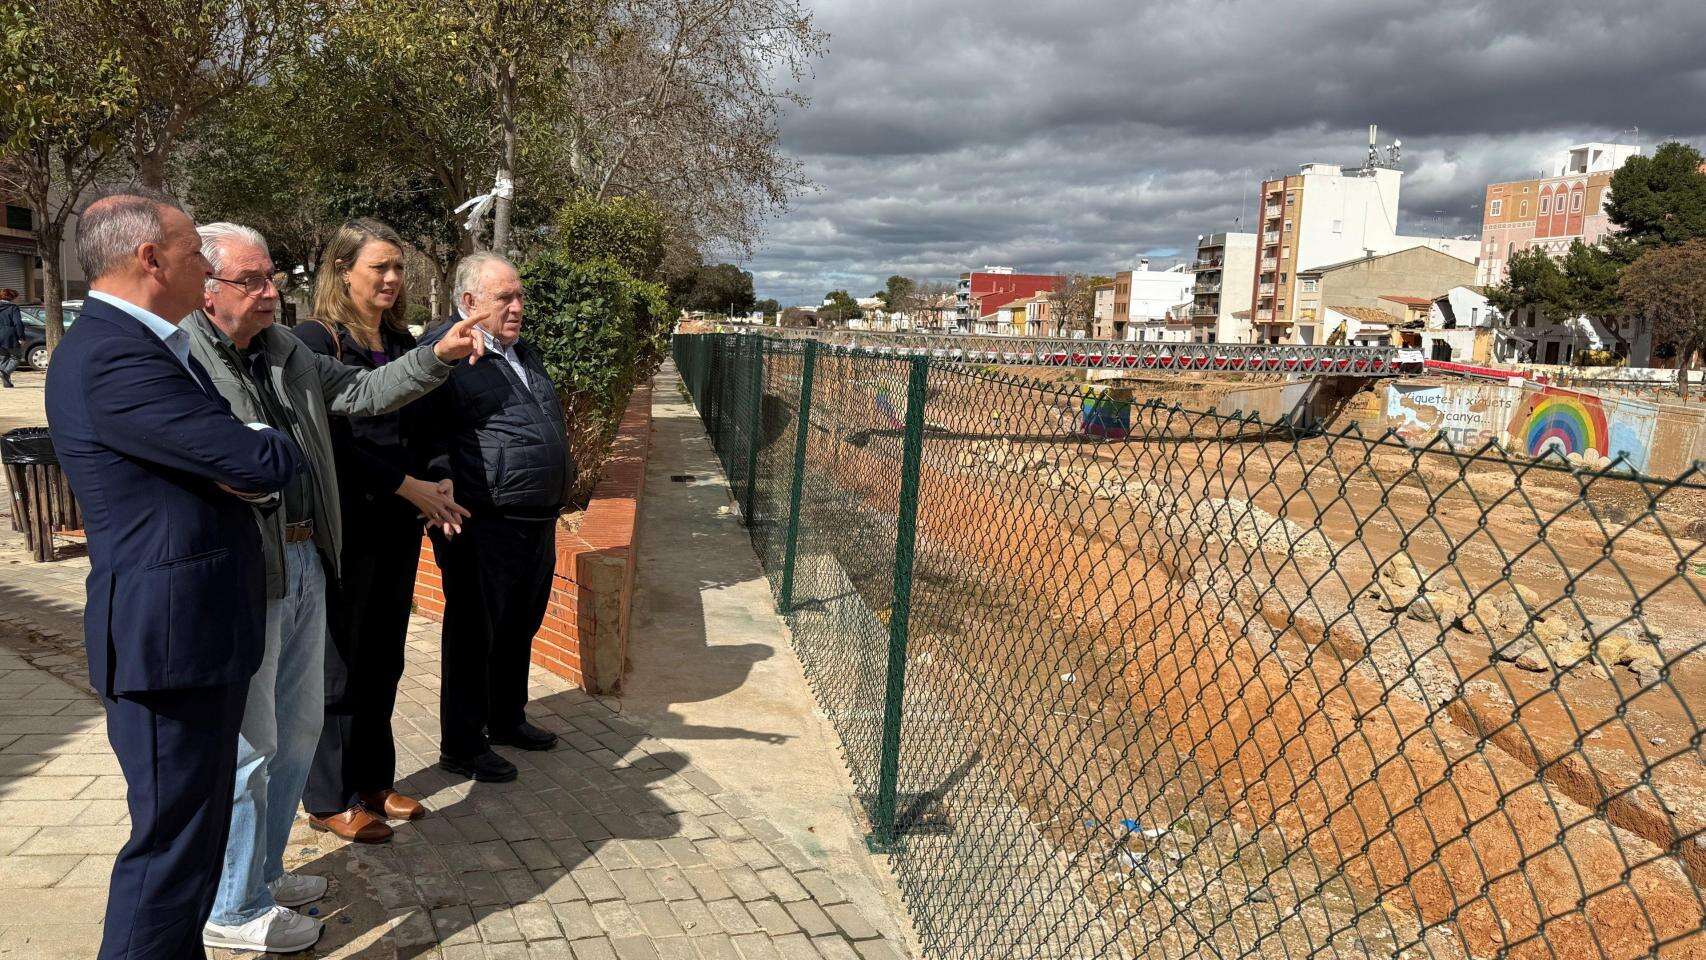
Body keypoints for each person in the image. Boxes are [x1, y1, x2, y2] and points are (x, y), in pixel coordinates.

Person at [182, 223, 484, 952]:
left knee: (297, 733)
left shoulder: (284, 351)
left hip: (308, 558)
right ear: (207, 287)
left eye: (271, 278)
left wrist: (436, 358)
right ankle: (231, 906)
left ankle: (264, 873)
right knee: (252, 747)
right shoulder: (183, 355)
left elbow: (365, 392)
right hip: (248, 569)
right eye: (252, 281)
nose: (270, 291)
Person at [43, 189, 302, 960]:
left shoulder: (141, 347)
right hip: (168, 645)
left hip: (191, 637)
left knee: (189, 846)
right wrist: (248, 449)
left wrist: (237, 453)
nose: (206, 268)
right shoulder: (115, 354)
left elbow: (234, 459)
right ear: (151, 260)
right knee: (169, 855)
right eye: (196, 253)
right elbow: (260, 459)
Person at [298, 219, 472, 842]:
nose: (393, 279)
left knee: (384, 658)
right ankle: (328, 796)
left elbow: (431, 424)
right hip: (348, 522)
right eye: (380, 267)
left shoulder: (403, 340)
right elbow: (328, 443)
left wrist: (438, 481)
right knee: (339, 663)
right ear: (343, 271)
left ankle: (374, 780)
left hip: (399, 523)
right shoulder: (314, 341)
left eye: (399, 268)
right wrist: (405, 486)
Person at [417, 252, 569, 783]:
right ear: (468, 303)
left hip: (534, 518)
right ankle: (462, 743)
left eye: (520, 296)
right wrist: (440, 481)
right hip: (482, 520)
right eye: (505, 297)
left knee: (517, 627)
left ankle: (507, 720)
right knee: (473, 634)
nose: (518, 307)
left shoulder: (523, 353)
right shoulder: (446, 356)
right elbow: (425, 430)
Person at [0, 287, 21, 387]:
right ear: (11, 297)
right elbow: (18, 323)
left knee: (3, 358)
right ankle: (5, 372)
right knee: (16, 357)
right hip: (9, 335)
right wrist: (21, 336)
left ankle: (6, 383)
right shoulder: (13, 308)